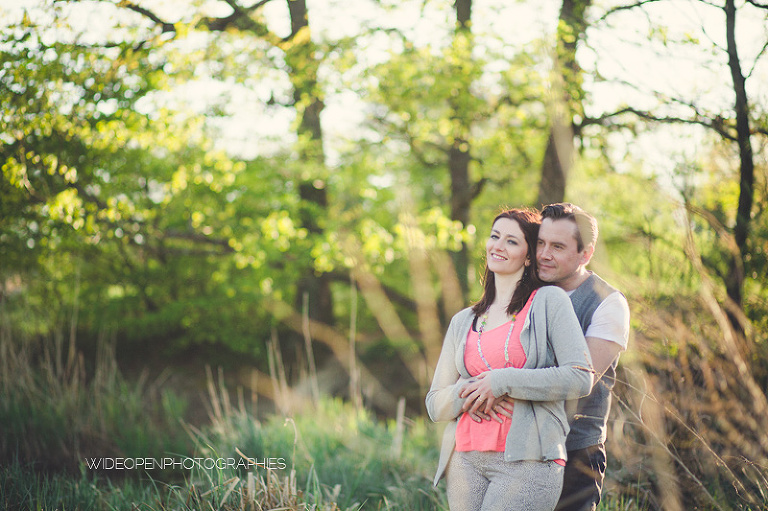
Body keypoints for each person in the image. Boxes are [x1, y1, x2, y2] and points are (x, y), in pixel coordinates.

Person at [425, 208, 594, 511]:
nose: (498, 246)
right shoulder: (463, 321)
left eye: (512, 241)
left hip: (527, 460)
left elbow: (581, 377)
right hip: (464, 459)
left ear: (529, 256)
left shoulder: (548, 302)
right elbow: (434, 404)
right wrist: (471, 390)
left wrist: (502, 381)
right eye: (494, 236)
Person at [536, 203, 631, 511]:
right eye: (540, 243)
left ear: (585, 254)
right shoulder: (528, 290)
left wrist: (503, 383)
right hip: (516, 449)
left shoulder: (608, 303)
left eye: (557, 247)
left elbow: (579, 381)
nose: (544, 254)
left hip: (576, 454)